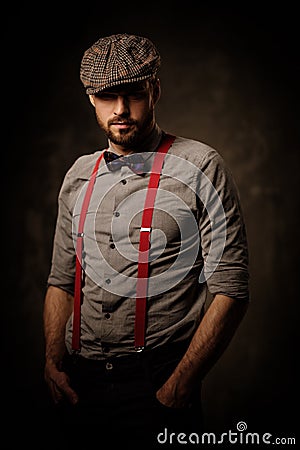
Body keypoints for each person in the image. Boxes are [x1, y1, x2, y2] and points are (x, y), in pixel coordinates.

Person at [43, 33, 249, 449]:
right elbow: (62, 281)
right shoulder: (78, 175)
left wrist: (179, 384)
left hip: (157, 381)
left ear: (155, 90)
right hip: (79, 386)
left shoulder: (200, 166)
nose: (120, 110)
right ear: (90, 98)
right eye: (106, 97)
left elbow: (231, 288)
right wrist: (51, 359)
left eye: (134, 94)